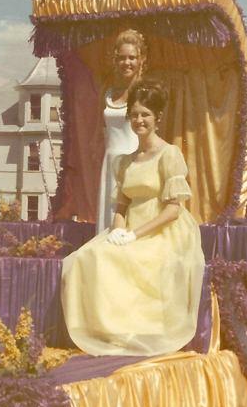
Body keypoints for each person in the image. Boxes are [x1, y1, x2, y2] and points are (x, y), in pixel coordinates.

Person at [61, 81, 205, 356]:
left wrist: (135, 235)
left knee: (135, 258)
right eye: (135, 114)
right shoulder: (126, 161)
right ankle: (106, 330)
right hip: (129, 226)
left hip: (163, 228)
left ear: (157, 118)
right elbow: (122, 206)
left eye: (145, 115)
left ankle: (138, 330)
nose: (139, 120)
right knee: (85, 257)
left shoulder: (168, 154)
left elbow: (173, 209)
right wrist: (117, 231)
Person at [96, 29, 146, 234]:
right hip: (110, 164)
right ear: (115, 60)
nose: (127, 62)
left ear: (141, 60)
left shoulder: (145, 93)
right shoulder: (107, 94)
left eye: (132, 58)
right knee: (109, 217)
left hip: (135, 160)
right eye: (122, 58)